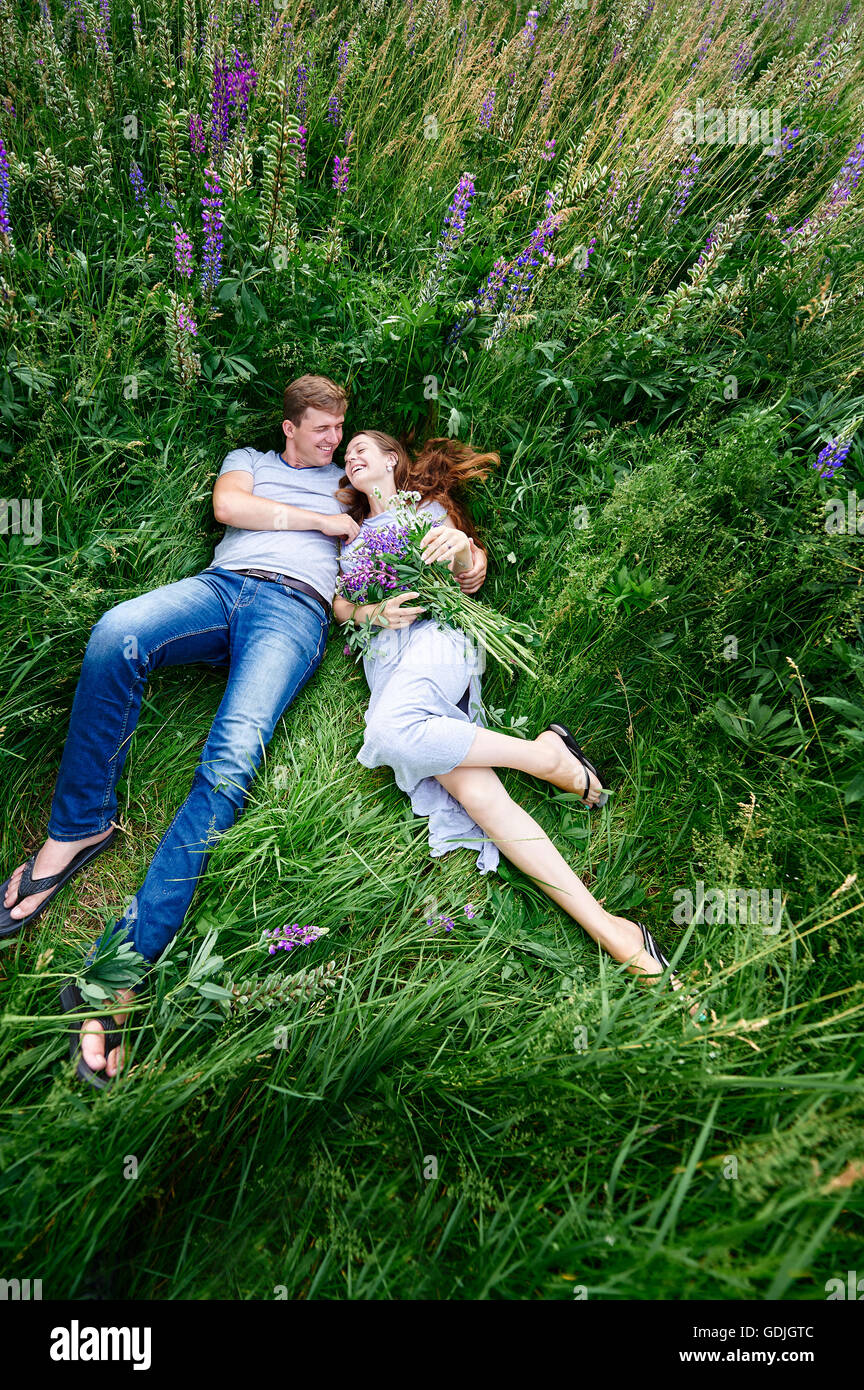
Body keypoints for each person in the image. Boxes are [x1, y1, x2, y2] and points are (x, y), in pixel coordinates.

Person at [0, 376, 490, 1087]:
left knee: (230, 759)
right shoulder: (251, 463)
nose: (337, 445)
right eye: (326, 432)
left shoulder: (352, 491)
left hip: (292, 613)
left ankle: (122, 967)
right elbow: (228, 505)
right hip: (222, 586)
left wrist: (404, 561)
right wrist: (317, 525)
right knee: (117, 635)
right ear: (291, 427)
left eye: (347, 434)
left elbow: (393, 548)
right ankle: (79, 827)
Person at [333, 429, 701, 1015]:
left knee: (387, 733)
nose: (352, 456)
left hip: (437, 643)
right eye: (345, 453)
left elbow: (471, 570)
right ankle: (616, 933)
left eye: (364, 448)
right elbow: (343, 607)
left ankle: (547, 758)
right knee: (482, 799)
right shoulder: (352, 542)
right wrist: (373, 610)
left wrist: (455, 545)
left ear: (392, 461)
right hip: (387, 663)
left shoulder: (423, 509)